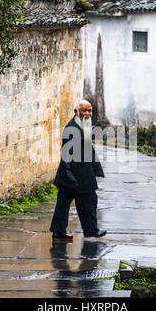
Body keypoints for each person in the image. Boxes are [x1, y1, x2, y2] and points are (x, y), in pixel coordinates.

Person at [49, 100, 107, 242]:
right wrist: (70, 178)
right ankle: (89, 230)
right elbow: (66, 156)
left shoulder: (83, 126)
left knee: (70, 203)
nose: (87, 114)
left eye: (89, 110)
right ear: (76, 112)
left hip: (80, 174)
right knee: (87, 201)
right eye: (83, 110)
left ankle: (61, 232)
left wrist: (96, 168)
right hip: (74, 176)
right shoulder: (71, 129)